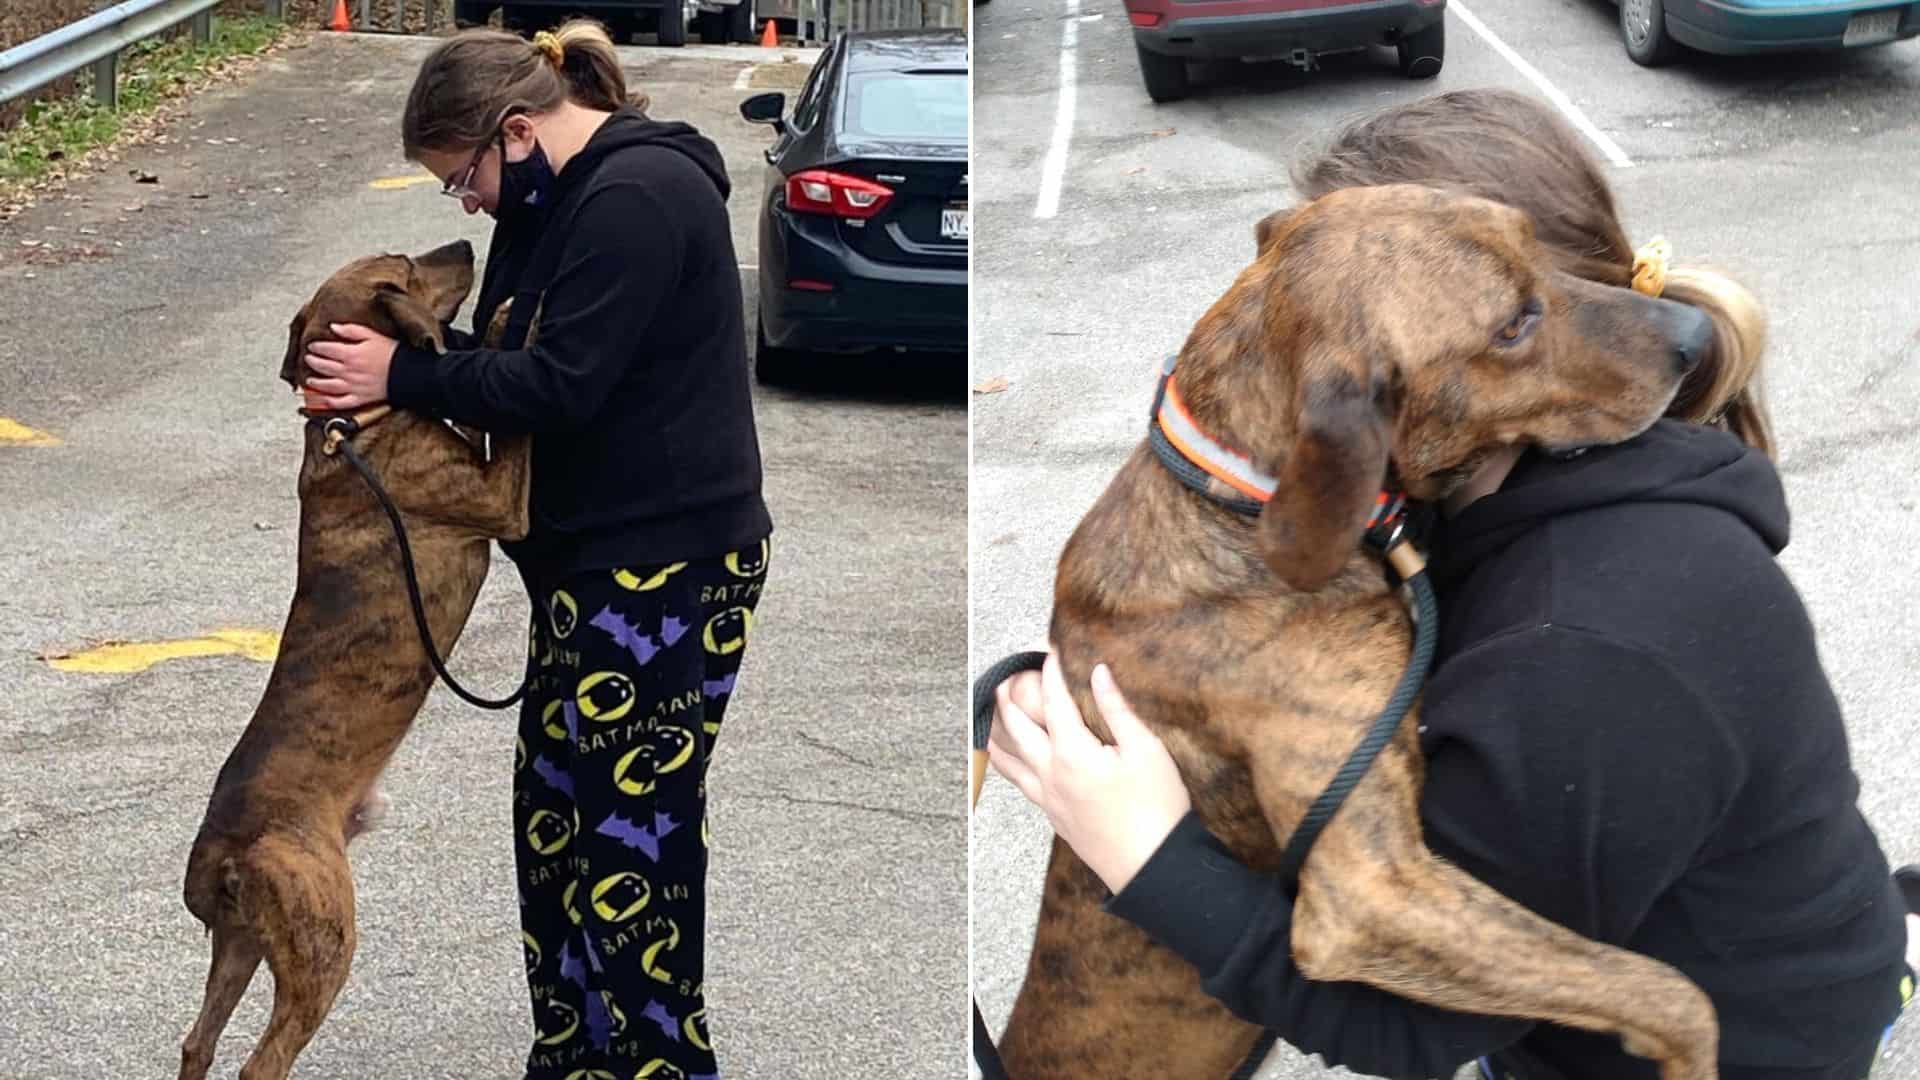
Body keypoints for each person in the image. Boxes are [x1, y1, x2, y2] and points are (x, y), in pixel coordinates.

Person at [986, 89, 1914, 1080]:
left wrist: (1149, 861)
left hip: (1737, 1048)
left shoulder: (1589, 648)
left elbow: (1412, 1029)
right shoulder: (1463, 481)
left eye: (1518, 318)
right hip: (1743, 906)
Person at [300, 20, 773, 1079]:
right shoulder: (557, 198)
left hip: (665, 565)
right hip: (587, 570)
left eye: (459, 177)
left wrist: (406, 378)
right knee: (557, 832)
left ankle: (660, 1065)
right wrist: (385, 364)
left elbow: (563, 385)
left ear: (515, 133)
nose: (463, 202)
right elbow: (519, 355)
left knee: (631, 842)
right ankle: (572, 1056)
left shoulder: (638, 199)